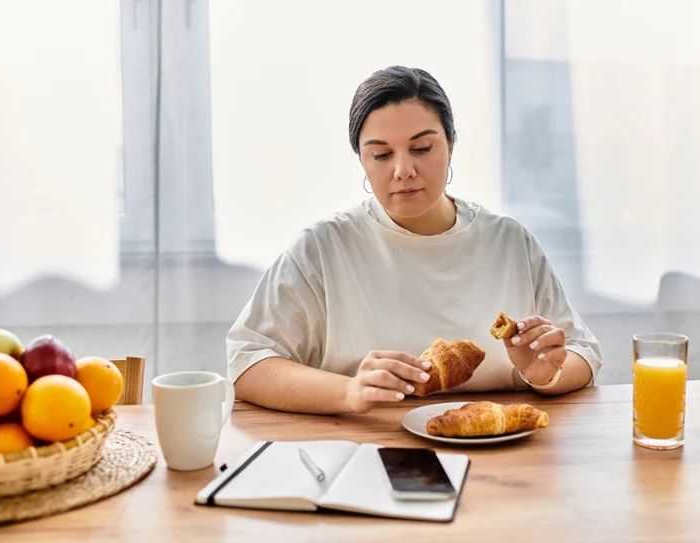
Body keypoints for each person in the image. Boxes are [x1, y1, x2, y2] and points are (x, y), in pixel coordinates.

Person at [226, 65, 602, 415]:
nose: (403, 170)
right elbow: (248, 362)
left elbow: (582, 353)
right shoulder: (324, 248)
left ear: (450, 146)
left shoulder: (508, 242)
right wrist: (348, 391)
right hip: (369, 449)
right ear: (362, 160)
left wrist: (545, 374)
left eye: (422, 149)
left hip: (507, 456)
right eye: (381, 154)